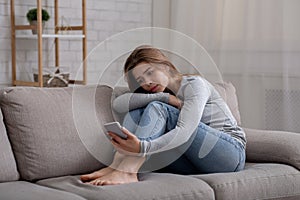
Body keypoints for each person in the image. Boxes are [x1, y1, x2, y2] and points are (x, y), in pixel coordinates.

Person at [80, 45, 246, 186]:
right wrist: (164, 97)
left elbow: (185, 131)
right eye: (140, 79)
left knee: (157, 108)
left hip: (229, 154)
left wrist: (142, 147)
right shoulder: (161, 94)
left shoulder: (195, 85)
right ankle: (118, 164)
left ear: (166, 66)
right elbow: (119, 104)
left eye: (150, 72)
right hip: (195, 159)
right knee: (139, 108)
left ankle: (129, 170)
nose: (146, 82)